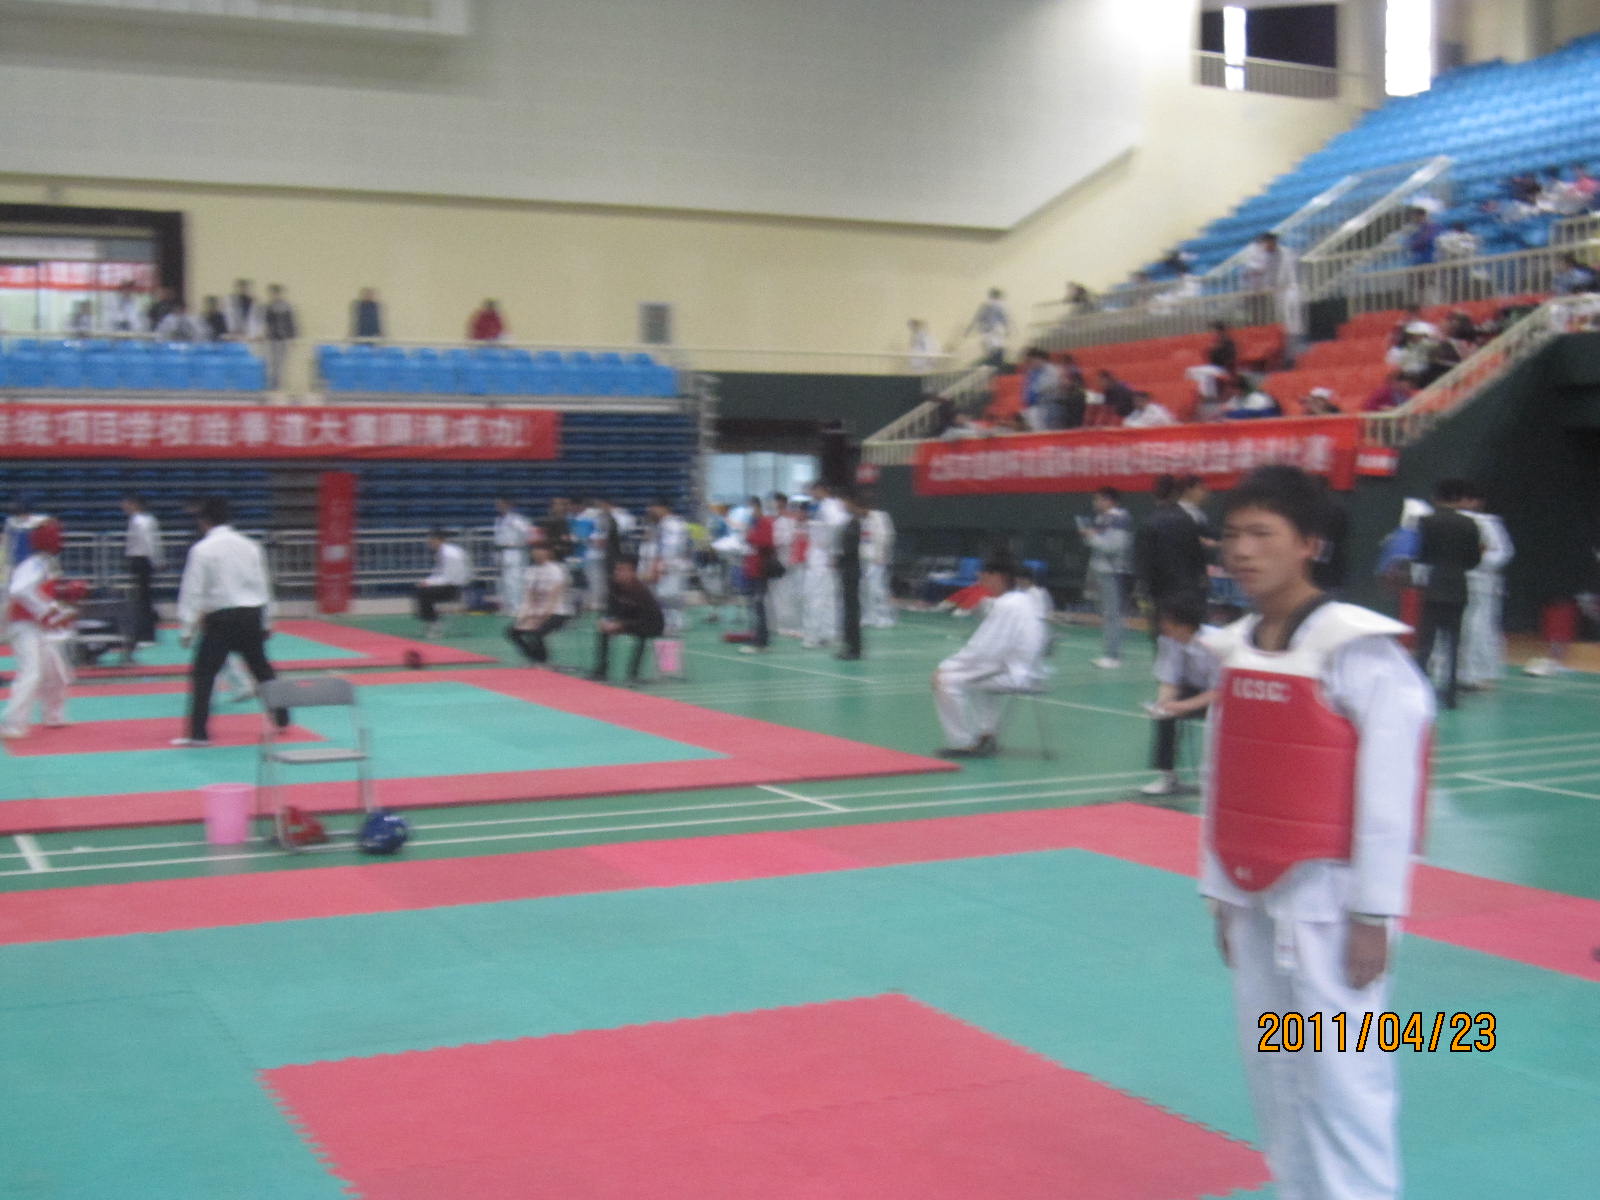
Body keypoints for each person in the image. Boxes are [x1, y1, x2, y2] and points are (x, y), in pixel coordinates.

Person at [1200, 464, 1433, 1200]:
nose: (1242, 551)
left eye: (1262, 534)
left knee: (1346, 1076)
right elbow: (1222, 778)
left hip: (1333, 903)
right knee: (1274, 1070)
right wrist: (1220, 891)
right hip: (1254, 896)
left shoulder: (1358, 650)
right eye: (1232, 535)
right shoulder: (1236, 647)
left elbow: (1392, 792)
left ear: (1310, 544)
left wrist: (1375, 913)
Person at [171, 498, 289, 747]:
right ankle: (282, 718)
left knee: (204, 674)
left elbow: (192, 591)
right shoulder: (250, 546)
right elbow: (263, 585)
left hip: (221, 619)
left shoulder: (202, 549)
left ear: (204, 521)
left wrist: (187, 628)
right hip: (251, 615)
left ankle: (198, 733)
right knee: (261, 669)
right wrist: (267, 621)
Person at [931, 559, 1049, 757]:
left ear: (998, 577)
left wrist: (946, 667)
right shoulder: (1023, 600)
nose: (981, 580)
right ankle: (987, 735)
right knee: (977, 679)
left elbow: (984, 650)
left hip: (1015, 673)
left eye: (985, 576)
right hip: (1023, 669)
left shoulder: (1007, 605)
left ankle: (963, 743)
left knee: (945, 681)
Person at [0, 519, 74, 739]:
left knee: (56, 672)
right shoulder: (34, 564)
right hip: (23, 625)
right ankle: (12, 724)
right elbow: (19, 590)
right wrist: (46, 611)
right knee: (31, 672)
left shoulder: (46, 563)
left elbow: (40, 592)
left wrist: (59, 605)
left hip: (36, 625)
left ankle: (53, 715)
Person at [1139, 593, 1219, 796]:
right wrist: (1163, 704)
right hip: (1192, 689)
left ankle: (1216, 778)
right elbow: (1169, 679)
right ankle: (1168, 776)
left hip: (1222, 696)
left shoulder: (1216, 643)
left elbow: (1220, 691)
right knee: (1165, 717)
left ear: (1185, 624)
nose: (1163, 626)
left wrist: (1183, 706)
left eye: (1168, 622)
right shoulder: (1168, 641)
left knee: (1218, 717)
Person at [1412, 479, 1481, 710]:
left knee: (1426, 643)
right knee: (1454, 644)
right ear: (1459, 499)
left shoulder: (1426, 522)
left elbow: (1421, 554)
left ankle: (1419, 689)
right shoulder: (1469, 524)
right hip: (1458, 587)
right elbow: (1474, 560)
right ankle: (1451, 694)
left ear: (1436, 498)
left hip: (1434, 586)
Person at [1456, 481, 1513, 692]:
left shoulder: (1488, 524)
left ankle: (1481, 674)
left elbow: (1502, 553)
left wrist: (1476, 563)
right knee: (1459, 629)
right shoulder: (1447, 521)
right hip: (1456, 582)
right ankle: (1456, 673)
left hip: (1483, 585)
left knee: (1480, 628)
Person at [1080, 486, 1133, 669]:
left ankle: (1113, 656)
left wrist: (1092, 537)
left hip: (1113, 572)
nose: (1095, 503)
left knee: (1113, 614)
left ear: (1109, 500)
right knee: (1108, 614)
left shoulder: (1120, 518)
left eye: (1098, 499)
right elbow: (1097, 543)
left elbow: (1114, 546)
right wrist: (1089, 536)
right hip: (1101, 571)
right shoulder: (1102, 519)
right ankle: (1109, 653)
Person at [590, 556, 665, 684]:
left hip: (651, 624)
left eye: (622, 570)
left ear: (632, 572)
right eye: (617, 570)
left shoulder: (640, 591)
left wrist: (621, 624)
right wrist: (607, 621)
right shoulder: (615, 587)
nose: (617, 573)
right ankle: (601, 671)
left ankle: (633, 675)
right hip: (629, 620)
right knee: (604, 631)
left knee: (642, 635)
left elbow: (645, 619)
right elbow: (612, 609)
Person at [505, 542, 570, 666]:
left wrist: (542, 618)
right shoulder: (531, 571)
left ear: (548, 553)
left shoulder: (556, 570)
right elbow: (529, 597)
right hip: (536, 612)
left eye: (540, 550)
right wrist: (523, 617)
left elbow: (553, 599)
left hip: (556, 612)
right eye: (535, 550)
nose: (537, 553)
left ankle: (544, 661)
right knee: (512, 631)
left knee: (536, 632)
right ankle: (533, 658)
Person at [802, 482, 847, 649]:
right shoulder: (822, 507)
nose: (811, 494)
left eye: (813, 490)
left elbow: (837, 527)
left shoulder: (831, 507)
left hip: (822, 559)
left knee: (816, 597)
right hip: (820, 557)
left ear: (821, 490)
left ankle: (815, 636)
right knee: (827, 598)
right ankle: (826, 634)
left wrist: (834, 551)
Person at [1242, 231, 1304, 345]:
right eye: (1266, 243)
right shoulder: (1259, 253)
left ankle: (1293, 339)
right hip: (1265, 290)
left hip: (1284, 288)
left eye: (1270, 242)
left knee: (1289, 315)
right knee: (1271, 316)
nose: (1268, 245)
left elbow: (1289, 270)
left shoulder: (1285, 253)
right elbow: (1254, 270)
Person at [642, 497, 693, 636]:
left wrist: (663, 563)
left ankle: (673, 625)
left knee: (668, 594)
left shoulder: (671, 524)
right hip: (673, 563)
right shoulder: (668, 523)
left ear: (663, 508)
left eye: (654, 507)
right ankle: (675, 622)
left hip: (672, 563)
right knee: (669, 594)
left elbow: (673, 546)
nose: (652, 511)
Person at [121, 494, 162, 647]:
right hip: (143, 560)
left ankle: (145, 635)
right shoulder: (147, 520)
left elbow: (148, 542)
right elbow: (155, 542)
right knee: (144, 598)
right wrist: (157, 559)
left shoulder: (138, 521)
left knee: (143, 599)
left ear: (134, 504)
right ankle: (146, 634)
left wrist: (155, 560)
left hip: (141, 559)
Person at [415, 528, 470, 638]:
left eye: (431, 540)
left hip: (453, 587)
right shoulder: (441, 552)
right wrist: (426, 582)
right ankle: (430, 620)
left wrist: (429, 583)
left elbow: (448, 577)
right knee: (420, 590)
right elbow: (437, 574)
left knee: (423, 593)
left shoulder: (449, 554)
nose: (429, 542)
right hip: (446, 584)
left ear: (438, 540)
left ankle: (434, 623)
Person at [740, 498, 776, 653]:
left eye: (751, 508)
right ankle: (756, 636)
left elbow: (766, 542)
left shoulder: (765, 522)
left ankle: (761, 641)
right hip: (751, 569)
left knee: (759, 605)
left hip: (760, 570)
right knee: (754, 606)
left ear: (757, 508)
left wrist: (749, 536)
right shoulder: (753, 524)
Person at [834, 490, 864, 661]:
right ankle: (850, 645)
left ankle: (854, 648)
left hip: (851, 571)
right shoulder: (850, 523)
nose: (843, 505)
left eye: (845, 502)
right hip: (847, 570)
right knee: (848, 611)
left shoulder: (855, 523)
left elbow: (850, 549)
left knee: (852, 611)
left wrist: (839, 558)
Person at [772, 495, 806, 637]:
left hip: (796, 564)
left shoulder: (795, 522)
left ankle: (797, 625)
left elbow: (797, 539)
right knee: (781, 595)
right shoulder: (778, 522)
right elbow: (777, 540)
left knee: (797, 594)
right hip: (781, 564)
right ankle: (782, 625)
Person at [492, 497, 532, 615]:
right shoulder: (498, 520)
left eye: (501, 504)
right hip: (502, 552)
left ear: (509, 505)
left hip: (515, 552)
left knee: (515, 581)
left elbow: (528, 533)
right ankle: (507, 606)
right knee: (504, 582)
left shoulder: (518, 520)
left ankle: (518, 607)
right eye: (498, 505)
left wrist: (519, 543)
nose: (499, 507)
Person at [861, 500, 896, 628]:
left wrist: (881, 555)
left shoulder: (879, 517)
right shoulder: (860, 519)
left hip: (876, 559)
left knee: (877, 588)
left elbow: (885, 537)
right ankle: (869, 616)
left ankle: (884, 617)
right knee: (864, 589)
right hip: (863, 558)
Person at [964, 287, 1012, 368]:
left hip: (989, 331)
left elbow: (977, 318)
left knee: (991, 349)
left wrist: (969, 330)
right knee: (994, 348)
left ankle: (992, 362)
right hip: (994, 330)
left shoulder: (986, 306)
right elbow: (1004, 319)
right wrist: (1007, 329)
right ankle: (993, 362)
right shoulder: (999, 306)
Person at [262, 284, 297, 389]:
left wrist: (292, 337)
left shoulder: (286, 307)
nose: (274, 295)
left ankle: (278, 383)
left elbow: (291, 322)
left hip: (283, 338)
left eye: (276, 293)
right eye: (272, 293)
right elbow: (266, 322)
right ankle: (273, 382)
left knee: (281, 362)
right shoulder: (268, 307)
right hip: (273, 338)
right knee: (273, 361)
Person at [1020, 347, 1064, 431]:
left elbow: (1044, 390)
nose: (1029, 364)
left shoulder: (1051, 371)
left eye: (1030, 361)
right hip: (1034, 408)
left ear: (1039, 359)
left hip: (1048, 406)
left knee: (1035, 417)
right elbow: (1027, 393)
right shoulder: (1032, 372)